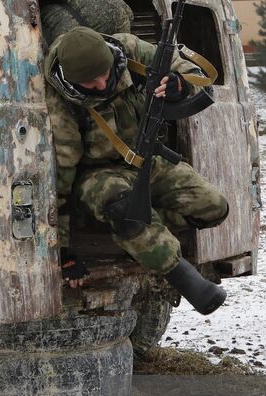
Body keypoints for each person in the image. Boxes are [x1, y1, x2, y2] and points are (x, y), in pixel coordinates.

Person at [45, 25, 228, 314]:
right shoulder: (61, 105)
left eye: (106, 73)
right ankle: (175, 269)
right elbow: (61, 177)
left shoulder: (128, 50)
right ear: (73, 80)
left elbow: (190, 71)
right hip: (99, 175)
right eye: (91, 83)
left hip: (148, 158)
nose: (103, 84)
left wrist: (179, 85)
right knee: (125, 211)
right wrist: (63, 250)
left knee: (214, 207)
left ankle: (137, 230)